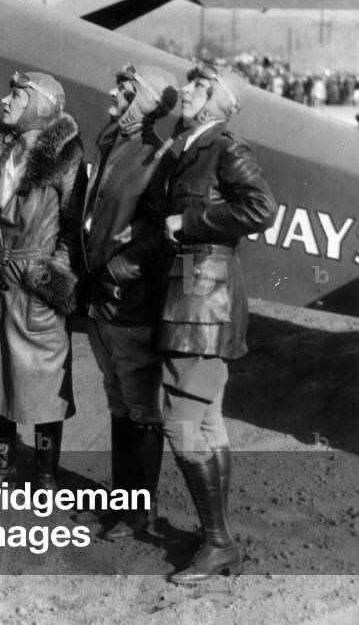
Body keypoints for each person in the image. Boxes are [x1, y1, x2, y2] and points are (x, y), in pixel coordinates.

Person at [158, 63, 276, 584]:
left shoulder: (226, 146)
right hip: (193, 285)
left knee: (180, 422)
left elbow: (260, 208)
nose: (183, 91)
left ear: (215, 99)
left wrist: (190, 222)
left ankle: (218, 541)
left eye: (195, 86)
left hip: (205, 291)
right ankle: (218, 537)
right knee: (205, 421)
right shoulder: (190, 146)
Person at [0, 71, 83, 494]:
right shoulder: (1, 148)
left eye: (17, 95)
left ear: (39, 104)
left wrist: (51, 279)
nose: (6, 101)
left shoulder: (65, 156)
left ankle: (46, 477)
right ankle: (2, 465)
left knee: (45, 382)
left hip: (33, 283)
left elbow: (73, 229)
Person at [79, 63, 178, 538]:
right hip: (101, 302)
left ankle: (141, 512)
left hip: (129, 304)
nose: (114, 93)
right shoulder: (114, 143)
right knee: (117, 402)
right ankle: (123, 503)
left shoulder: (157, 157)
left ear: (142, 102)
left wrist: (123, 266)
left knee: (141, 407)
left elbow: (162, 234)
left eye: (125, 89)